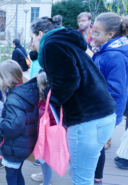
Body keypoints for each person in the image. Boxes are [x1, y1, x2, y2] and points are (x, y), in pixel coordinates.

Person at [30, 15, 116, 185]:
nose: (32, 44)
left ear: (40, 34)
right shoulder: (66, 42)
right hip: (103, 116)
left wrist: (48, 93)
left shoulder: (51, 45)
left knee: (80, 179)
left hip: (87, 120)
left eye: (32, 38)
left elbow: (68, 82)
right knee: (85, 175)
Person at [91, 12, 128, 184]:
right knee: (97, 145)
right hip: (101, 107)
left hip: (106, 110)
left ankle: (97, 179)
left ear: (110, 34)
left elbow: (116, 89)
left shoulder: (115, 56)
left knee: (97, 146)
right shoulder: (105, 50)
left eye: (97, 33)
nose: (92, 35)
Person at [0, 60, 39, 185]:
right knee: (17, 173)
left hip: (14, 148)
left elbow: (11, 128)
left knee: (11, 176)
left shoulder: (13, 99)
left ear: (6, 79)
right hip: (24, 144)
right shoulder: (25, 93)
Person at [31, 72, 55, 185]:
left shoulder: (46, 105)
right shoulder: (43, 102)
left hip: (46, 139)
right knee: (43, 161)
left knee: (46, 163)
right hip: (44, 138)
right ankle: (44, 176)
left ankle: (46, 182)